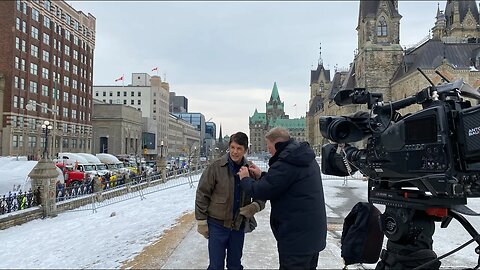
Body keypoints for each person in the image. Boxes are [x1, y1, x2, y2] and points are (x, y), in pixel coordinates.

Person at [238, 127, 327, 270]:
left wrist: (245, 179)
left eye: (269, 147)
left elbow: (262, 191)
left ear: (278, 145)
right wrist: (262, 175)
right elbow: (282, 183)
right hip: (311, 236)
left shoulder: (286, 163)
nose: (268, 151)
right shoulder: (302, 157)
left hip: (296, 240)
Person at [195, 131, 265, 270]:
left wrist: (255, 206)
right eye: (232, 147)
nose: (235, 152)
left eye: (239, 148)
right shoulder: (215, 167)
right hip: (217, 225)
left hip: (238, 225)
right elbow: (202, 194)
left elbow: (263, 192)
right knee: (216, 265)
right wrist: (202, 222)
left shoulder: (250, 169)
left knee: (235, 265)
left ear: (245, 150)